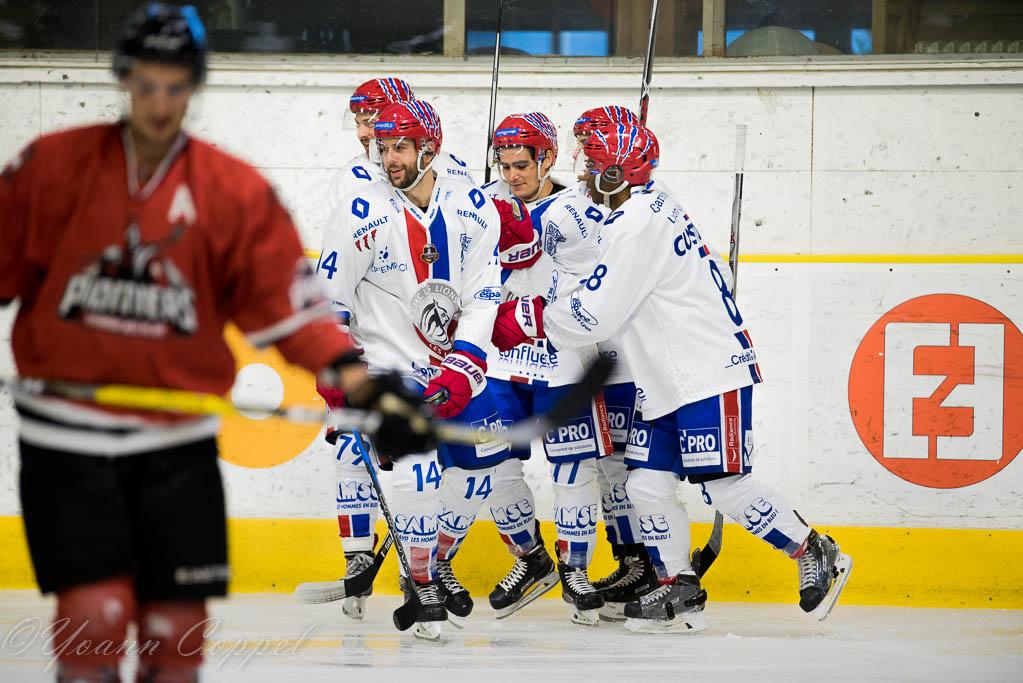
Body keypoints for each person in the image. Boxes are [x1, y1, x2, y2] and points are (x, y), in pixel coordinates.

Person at [0, 5, 428, 681]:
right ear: (124, 80)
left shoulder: (231, 189)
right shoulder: (49, 169)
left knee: (177, 635)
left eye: (175, 86)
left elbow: (289, 309)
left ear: (193, 86)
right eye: (147, 84)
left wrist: (361, 385)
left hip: (177, 442)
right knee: (92, 618)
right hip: (68, 437)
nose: (160, 103)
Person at [491, 123, 852, 633]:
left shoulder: (636, 225)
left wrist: (528, 318)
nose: (583, 174)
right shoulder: (646, 206)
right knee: (645, 484)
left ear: (616, 175)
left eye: (592, 165)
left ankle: (813, 549)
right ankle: (679, 585)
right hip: (663, 378)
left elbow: (595, 315)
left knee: (724, 486)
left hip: (705, 370)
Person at [317, 99, 536, 638]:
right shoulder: (360, 212)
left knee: (481, 471)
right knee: (418, 471)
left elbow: (483, 292)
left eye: (400, 147)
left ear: (429, 148)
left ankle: (427, 560)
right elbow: (328, 301)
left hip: (454, 365)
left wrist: (467, 360)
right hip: (388, 366)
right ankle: (422, 582)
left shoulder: (472, 206)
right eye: (382, 146)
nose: (388, 157)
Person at [479, 112, 613, 625]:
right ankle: (531, 557)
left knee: (573, 468)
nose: (511, 175)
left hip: (563, 359)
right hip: (500, 358)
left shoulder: (581, 208)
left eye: (521, 165)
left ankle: (574, 570)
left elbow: (600, 281)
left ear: (548, 158)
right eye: (504, 165)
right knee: (492, 463)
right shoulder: (483, 203)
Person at [323, 77, 474, 217]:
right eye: (358, 124)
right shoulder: (348, 179)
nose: (360, 134)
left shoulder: (455, 169)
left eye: (370, 123)